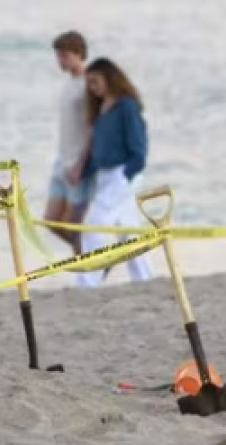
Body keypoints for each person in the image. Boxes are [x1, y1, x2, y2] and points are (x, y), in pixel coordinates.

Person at [76, 58, 155, 288]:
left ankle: (87, 282)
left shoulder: (126, 106)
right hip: (105, 175)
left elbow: (138, 147)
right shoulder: (101, 110)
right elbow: (100, 149)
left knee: (94, 224)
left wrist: (127, 174)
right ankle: (145, 279)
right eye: (89, 83)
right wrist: (85, 171)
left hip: (122, 173)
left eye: (95, 81)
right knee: (129, 233)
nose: (92, 88)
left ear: (109, 79)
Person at [46, 31, 93, 253]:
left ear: (78, 54)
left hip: (78, 165)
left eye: (64, 56)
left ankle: (88, 271)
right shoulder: (69, 84)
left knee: (75, 226)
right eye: (58, 56)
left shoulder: (88, 85)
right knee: (51, 220)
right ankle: (92, 259)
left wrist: (81, 164)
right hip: (61, 161)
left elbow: (92, 128)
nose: (60, 61)